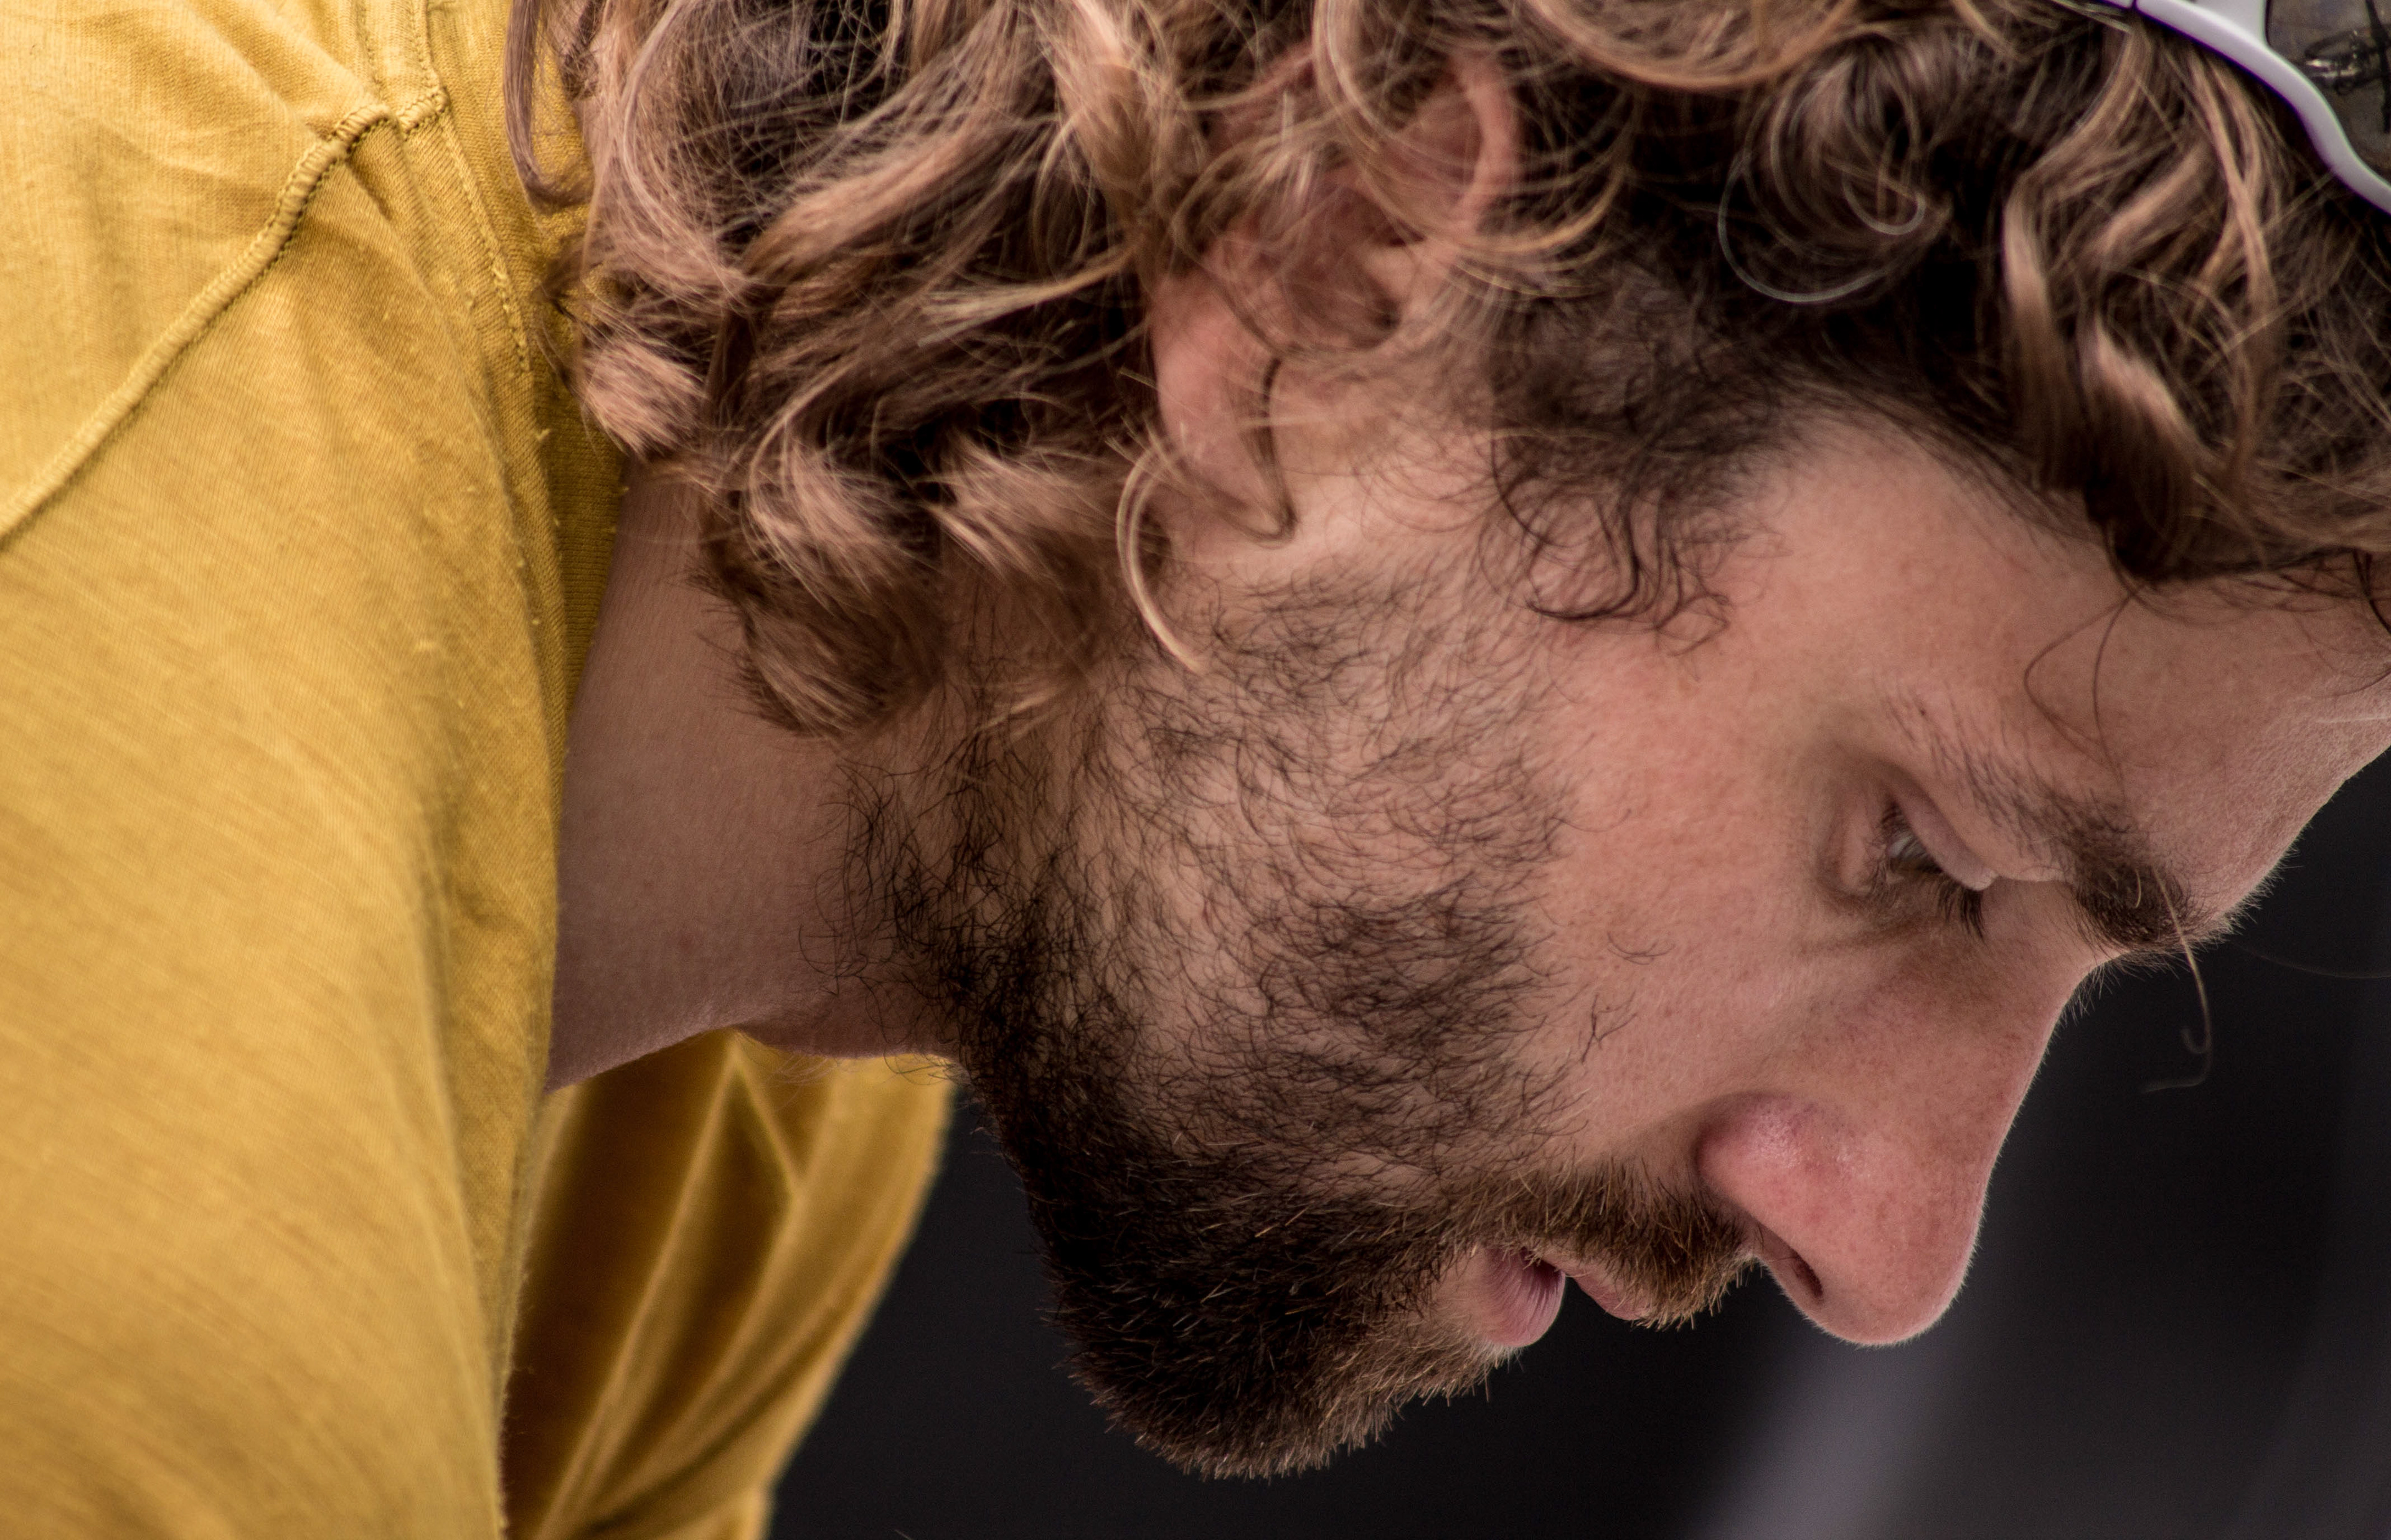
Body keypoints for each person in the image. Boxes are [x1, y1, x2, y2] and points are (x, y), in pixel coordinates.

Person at [8, 0, 2391, 1531]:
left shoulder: (781, 970)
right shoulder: (152, 1313)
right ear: (1338, 272)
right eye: (1921, 853)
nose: (1895, 1255)